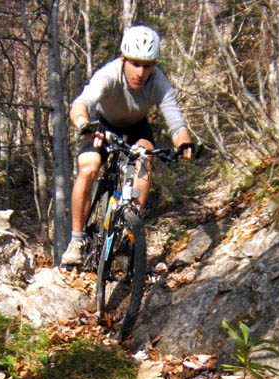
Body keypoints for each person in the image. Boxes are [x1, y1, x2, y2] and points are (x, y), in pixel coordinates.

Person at [61, 24, 194, 267]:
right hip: (101, 125)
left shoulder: (159, 83)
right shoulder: (109, 75)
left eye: (148, 65)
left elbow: (176, 123)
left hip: (136, 127)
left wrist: (184, 143)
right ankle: (77, 240)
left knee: (145, 156)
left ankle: (128, 228)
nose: (141, 72)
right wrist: (84, 124)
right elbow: (81, 104)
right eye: (135, 64)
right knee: (89, 167)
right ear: (123, 59)